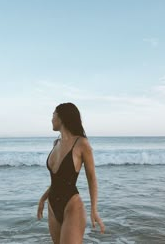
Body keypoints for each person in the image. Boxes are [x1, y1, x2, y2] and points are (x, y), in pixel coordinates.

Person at [37, 102, 105, 244]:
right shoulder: (56, 143)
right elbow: (58, 180)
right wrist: (43, 198)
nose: (51, 119)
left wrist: (94, 209)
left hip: (72, 205)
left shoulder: (81, 143)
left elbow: (91, 178)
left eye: (53, 115)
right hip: (52, 206)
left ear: (61, 117)